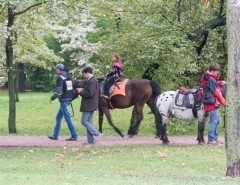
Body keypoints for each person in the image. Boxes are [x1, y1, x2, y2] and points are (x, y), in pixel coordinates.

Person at [48, 63, 78, 141]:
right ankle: (55, 135)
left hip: (64, 101)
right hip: (68, 99)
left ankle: (74, 135)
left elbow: (59, 92)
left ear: (58, 69)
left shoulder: (60, 78)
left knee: (67, 118)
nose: (55, 70)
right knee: (58, 117)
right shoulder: (68, 77)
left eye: (56, 69)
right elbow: (70, 89)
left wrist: (52, 98)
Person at [201, 63, 226, 145]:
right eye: (216, 72)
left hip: (211, 101)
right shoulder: (211, 79)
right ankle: (211, 140)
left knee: (217, 120)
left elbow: (211, 85)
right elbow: (216, 91)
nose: (217, 73)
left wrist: (219, 82)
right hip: (211, 102)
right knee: (214, 121)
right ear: (212, 71)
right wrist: (224, 102)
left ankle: (215, 138)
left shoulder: (209, 77)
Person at [77, 67, 103, 144]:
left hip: (89, 104)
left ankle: (97, 134)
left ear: (87, 73)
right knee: (89, 122)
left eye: (84, 74)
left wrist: (80, 92)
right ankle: (90, 141)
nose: (84, 76)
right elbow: (90, 92)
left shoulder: (92, 81)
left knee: (84, 121)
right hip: (91, 104)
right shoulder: (93, 80)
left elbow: (90, 93)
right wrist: (83, 90)